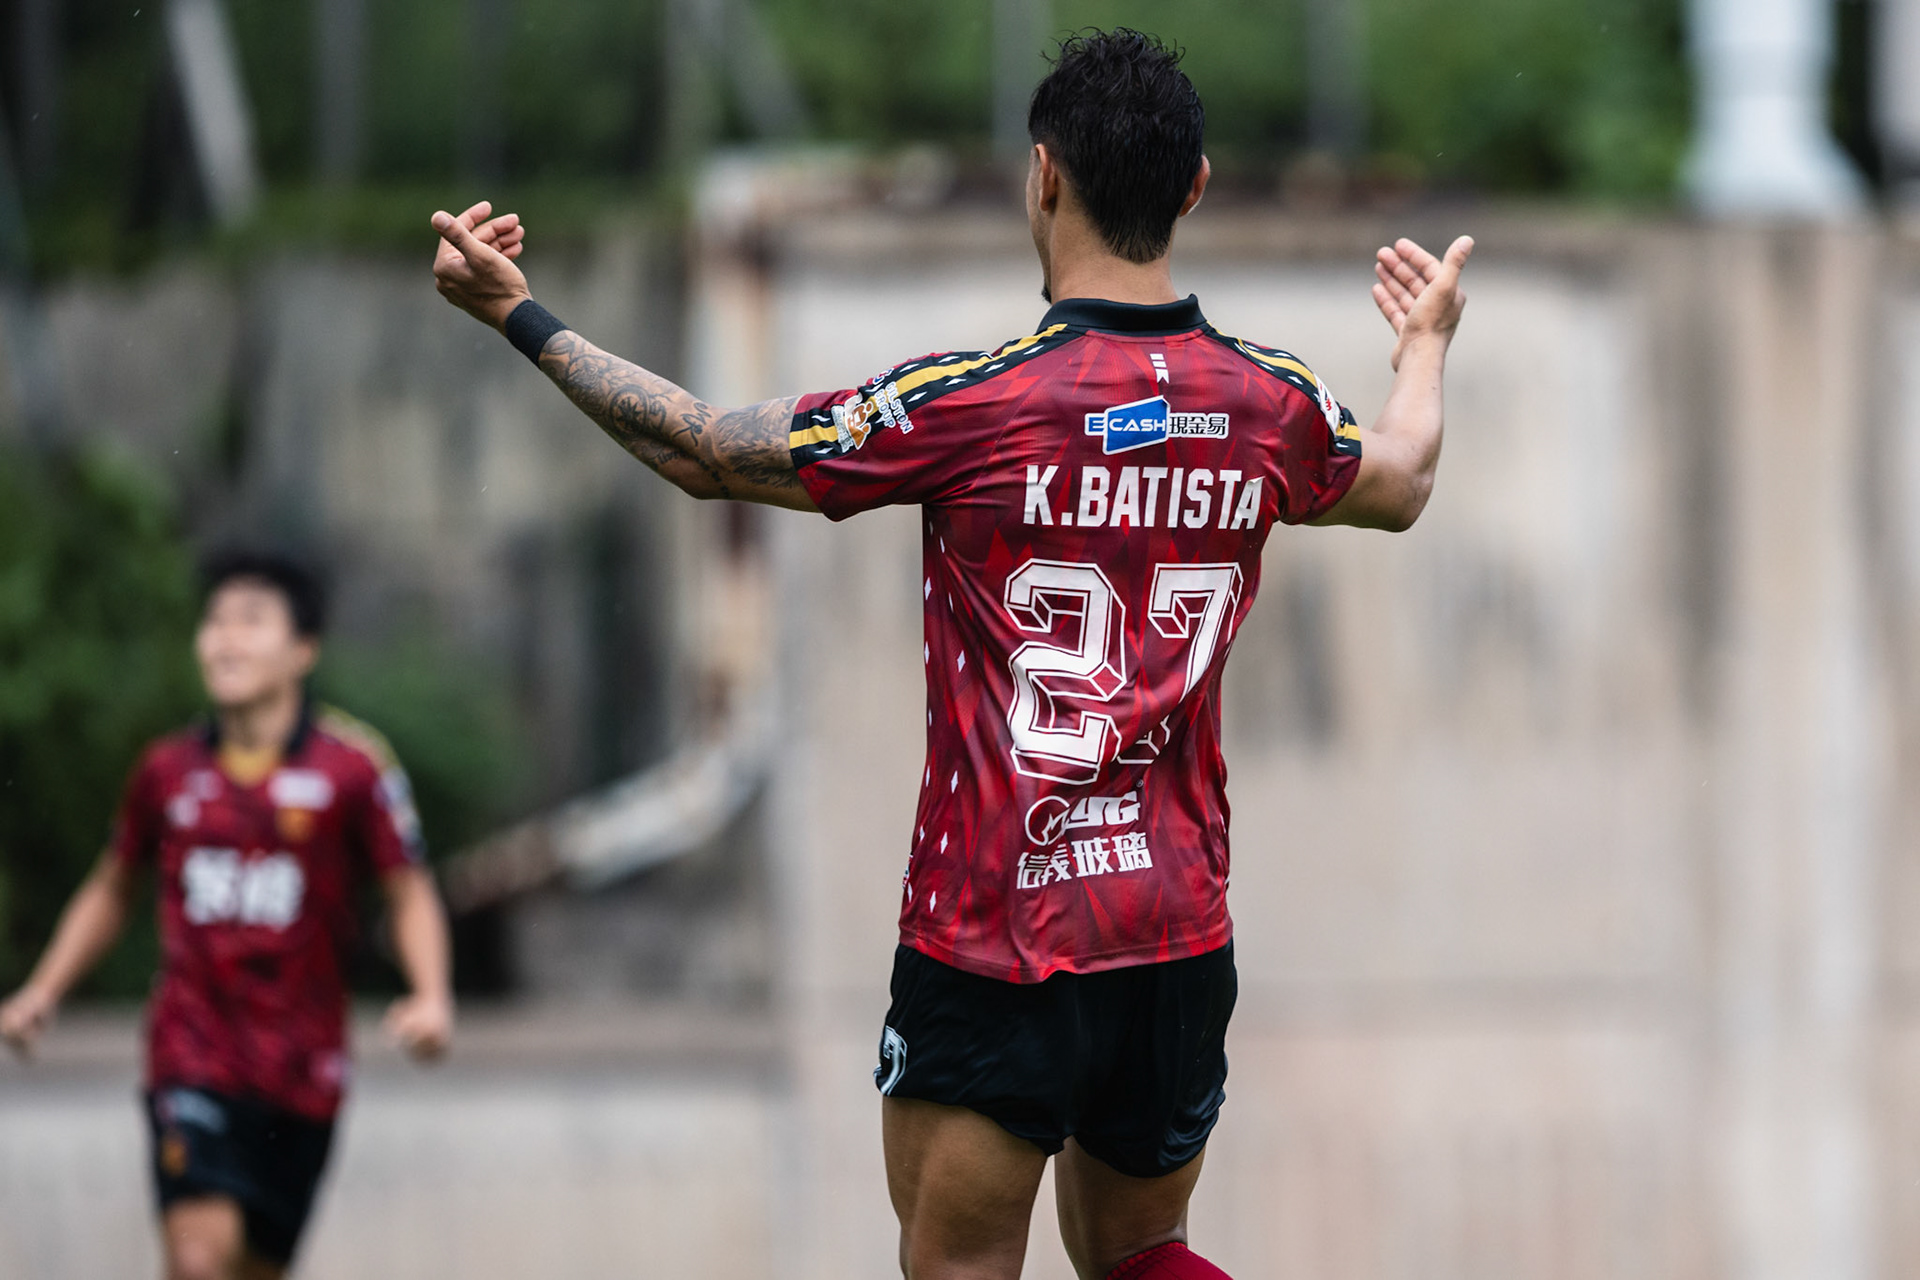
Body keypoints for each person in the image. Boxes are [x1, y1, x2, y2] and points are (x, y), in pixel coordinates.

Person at [428, 27, 1470, 1280]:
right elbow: (1402, 479)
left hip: (1000, 934)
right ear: (1192, 188)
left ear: (1043, 176)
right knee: (1143, 1252)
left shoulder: (975, 401)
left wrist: (516, 313)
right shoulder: (1269, 400)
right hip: (1174, 925)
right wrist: (1423, 345)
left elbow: (704, 449)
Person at [0, 550, 454, 1280]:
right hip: (193, 1052)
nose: (225, 639)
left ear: (303, 651)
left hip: (304, 1073)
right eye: (214, 621)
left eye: (251, 621)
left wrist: (431, 997)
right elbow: (113, 885)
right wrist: (42, 992)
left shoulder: (353, 770)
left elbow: (408, 890)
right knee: (196, 1257)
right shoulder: (167, 772)